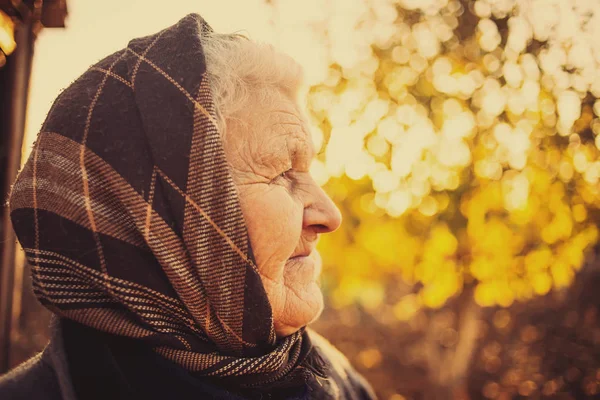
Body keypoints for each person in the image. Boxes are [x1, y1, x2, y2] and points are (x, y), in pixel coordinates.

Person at [0, 13, 376, 400]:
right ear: (160, 221)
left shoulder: (341, 385)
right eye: (282, 172)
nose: (330, 216)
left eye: (309, 171)